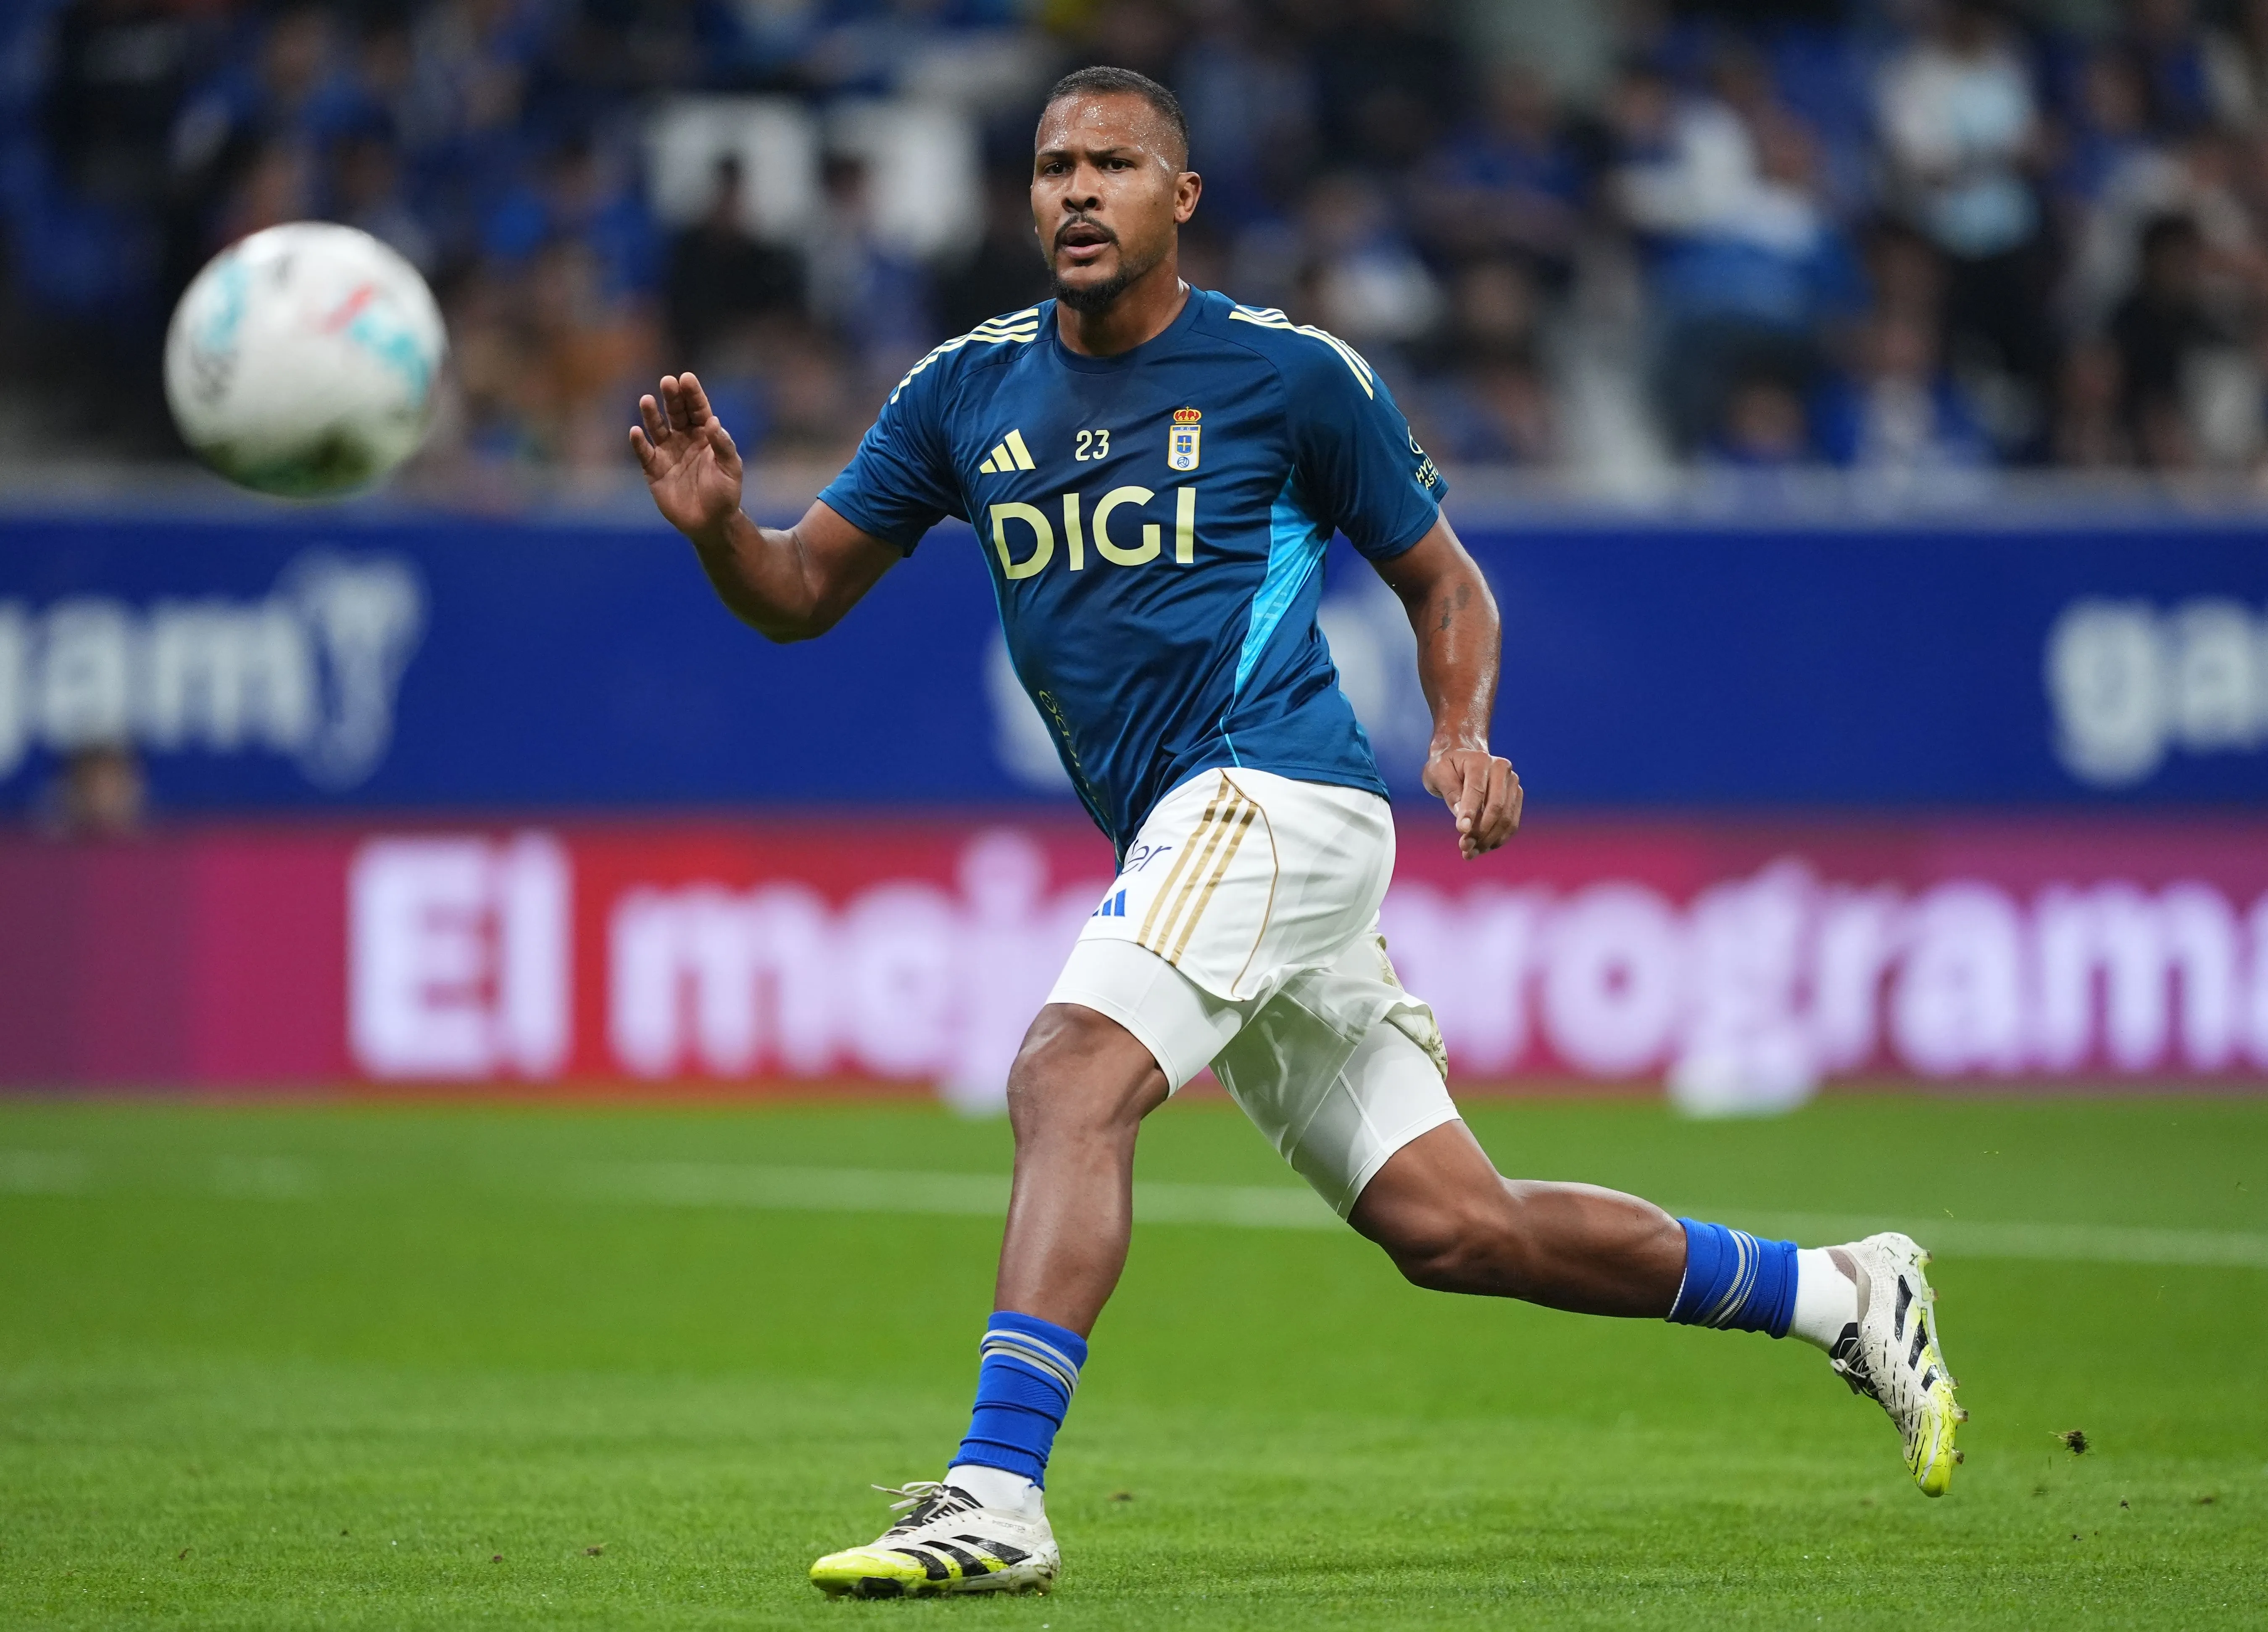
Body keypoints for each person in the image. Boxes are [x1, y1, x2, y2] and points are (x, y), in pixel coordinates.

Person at [630, 66, 1965, 1601]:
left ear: (1178, 199)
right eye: (1054, 164)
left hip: (1274, 788)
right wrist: (726, 529)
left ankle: (996, 1492)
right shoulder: (961, 393)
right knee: (1451, 1228)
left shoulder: (1285, 375)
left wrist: (1457, 736)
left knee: (1070, 1072)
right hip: (1193, 830)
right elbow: (798, 596)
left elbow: (1444, 583)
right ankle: (1840, 1293)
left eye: (1114, 164)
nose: (1076, 189)